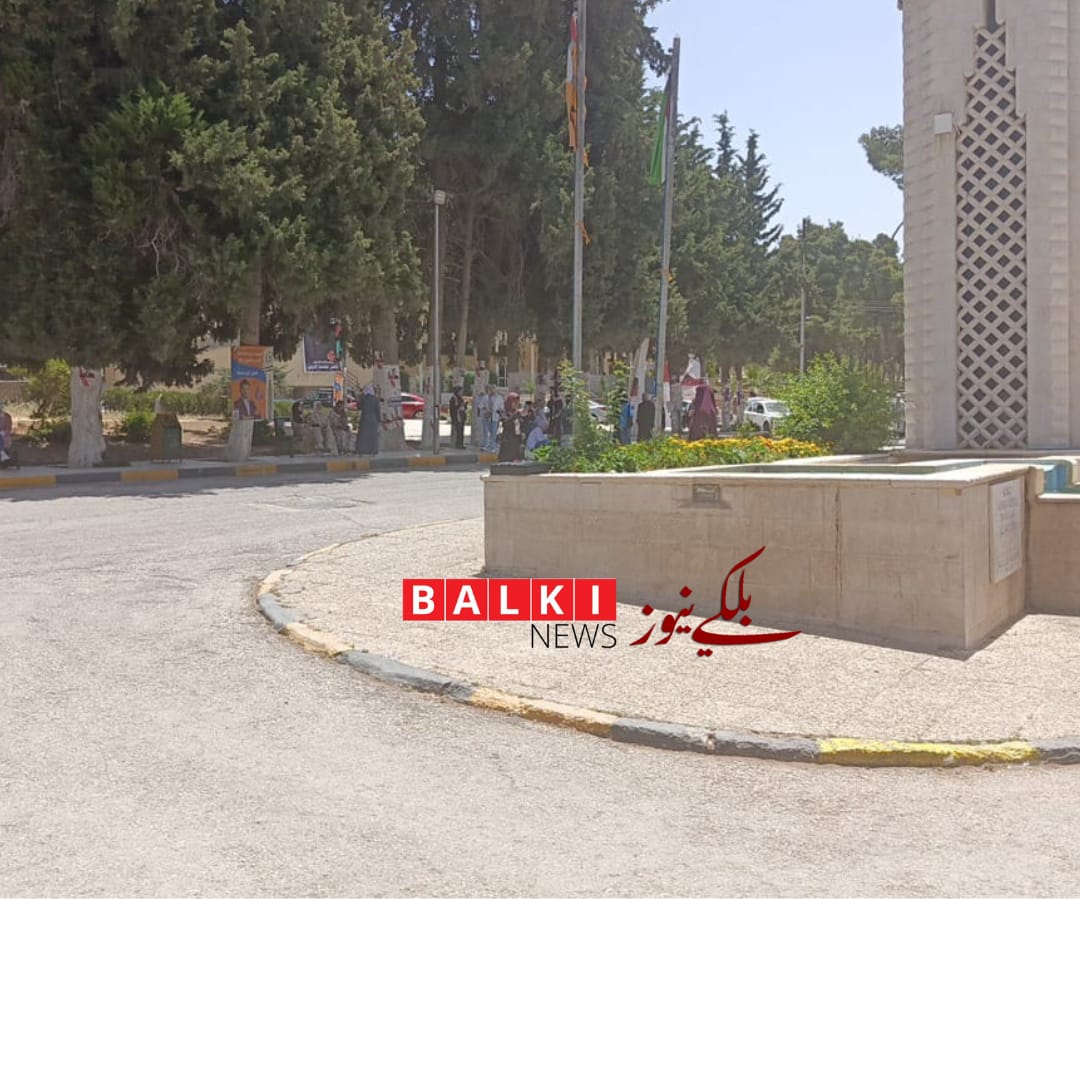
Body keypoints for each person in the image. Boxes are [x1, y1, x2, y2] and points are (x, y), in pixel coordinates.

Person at [498, 392, 523, 462]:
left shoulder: (517, 413)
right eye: (514, 402)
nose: (516, 405)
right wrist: (514, 416)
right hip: (507, 441)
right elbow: (506, 423)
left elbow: (519, 426)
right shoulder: (503, 412)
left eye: (517, 403)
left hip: (516, 442)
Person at [355, 385, 380, 455]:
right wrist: (378, 419)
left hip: (364, 418)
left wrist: (358, 398)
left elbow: (359, 407)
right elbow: (377, 410)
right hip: (373, 418)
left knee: (363, 435)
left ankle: (362, 450)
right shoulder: (375, 399)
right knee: (373, 436)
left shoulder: (363, 398)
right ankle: (373, 450)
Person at [489, 387, 505, 452]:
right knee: (491, 431)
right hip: (490, 417)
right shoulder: (491, 398)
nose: (493, 391)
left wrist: (499, 412)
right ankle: (492, 445)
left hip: (496, 417)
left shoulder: (499, 398)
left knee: (494, 432)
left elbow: (502, 407)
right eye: (492, 390)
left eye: (494, 390)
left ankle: (493, 446)